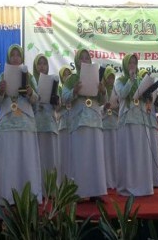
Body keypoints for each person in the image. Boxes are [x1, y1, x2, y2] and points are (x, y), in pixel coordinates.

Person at [0, 44, 42, 203]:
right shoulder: (1, 77)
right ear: (9, 58)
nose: (15, 58)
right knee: (9, 159)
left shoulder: (30, 77)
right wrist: (1, 91)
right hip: (7, 122)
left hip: (25, 121)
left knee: (26, 158)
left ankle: (29, 196)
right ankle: (8, 197)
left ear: (22, 58)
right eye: (12, 55)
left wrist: (30, 93)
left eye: (18, 55)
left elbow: (37, 102)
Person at [62, 48, 107, 201]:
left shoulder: (96, 78)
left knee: (95, 156)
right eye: (82, 58)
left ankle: (95, 192)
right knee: (81, 157)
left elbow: (102, 101)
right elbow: (64, 99)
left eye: (87, 58)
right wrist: (74, 91)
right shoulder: (72, 79)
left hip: (94, 120)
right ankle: (79, 193)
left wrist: (102, 91)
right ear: (77, 61)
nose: (85, 60)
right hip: (79, 121)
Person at [115, 54, 153, 196]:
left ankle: (143, 186)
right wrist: (130, 80)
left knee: (140, 153)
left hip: (141, 119)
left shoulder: (140, 81)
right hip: (127, 120)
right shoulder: (120, 80)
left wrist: (147, 94)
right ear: (125, 65)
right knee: (129, 154)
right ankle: (128, 186)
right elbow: (122, 95)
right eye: (130, 63)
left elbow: (144, 99)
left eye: (134, 63)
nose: (132, 65)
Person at [33, 54, 58, 180]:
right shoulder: (31, 82)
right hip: (36, 124)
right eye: (39, 63)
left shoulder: (53, 82)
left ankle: (51, 190)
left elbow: (57, 108)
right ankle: (38, 189)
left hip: (50, 124)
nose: (42, 66)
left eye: (45, 63)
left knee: (50, 157)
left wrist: (56, 101)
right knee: (37, 157)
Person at [139, 68, 158, 189]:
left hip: (152, 123)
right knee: (144, 153)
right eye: (143, 77)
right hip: (142, 123)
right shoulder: (139, 91)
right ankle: (145, 180)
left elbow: (155, 109)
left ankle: (155, 181)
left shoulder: (154, 90)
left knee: (154, 151)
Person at [101, 66, 119, 189]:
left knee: (114, 153)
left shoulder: (117, 90)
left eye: (113, 77)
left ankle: (115, 180)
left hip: (114, 124)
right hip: (103, 124)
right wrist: (105, 107)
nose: (111, 79)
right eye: (109, 77)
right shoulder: (101, 89)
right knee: (105, 154)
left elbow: (121, 105)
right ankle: (106, 181)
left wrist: (115, 106)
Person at [57, 65, 72, 181]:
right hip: (62, 124)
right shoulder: (58, 89)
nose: (67, 76)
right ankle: (62, 181)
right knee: (63, 154)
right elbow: (56, 108)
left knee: (72, 154)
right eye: (65, 74)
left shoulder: (74, 90)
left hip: (73, 124)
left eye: (69, 74)